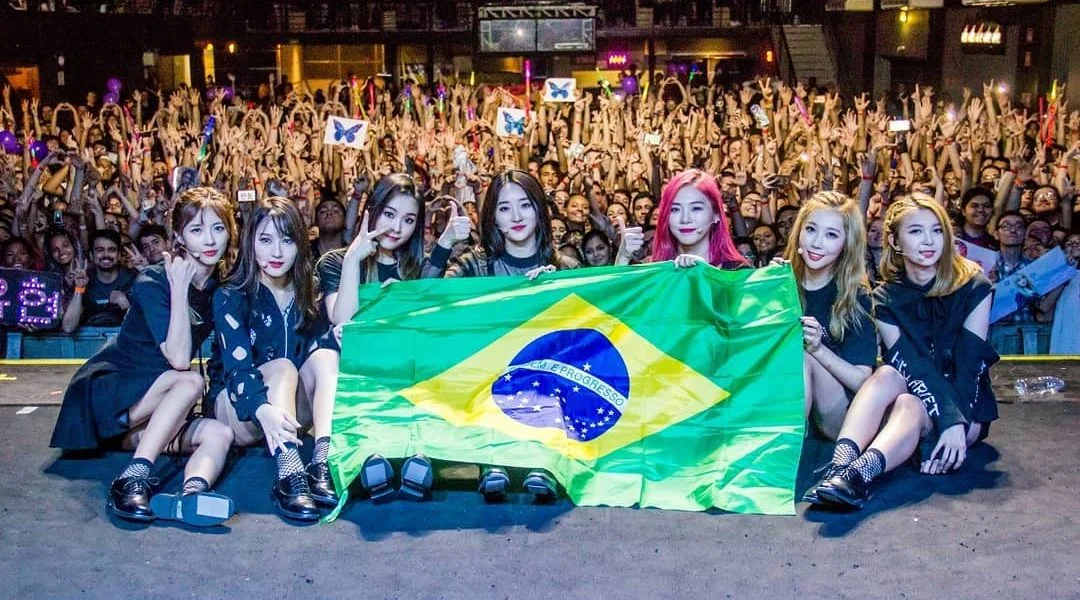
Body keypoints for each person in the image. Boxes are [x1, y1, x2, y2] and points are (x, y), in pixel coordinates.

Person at [50, 187, 238, 527]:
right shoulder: (153, 279)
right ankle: (132, 479)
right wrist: (179, 289)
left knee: (219, 433)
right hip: (114, 396)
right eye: (197, 230)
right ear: (178, 237)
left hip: (159, 409)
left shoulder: (218, 287)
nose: (210, 240)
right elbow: (178, 358)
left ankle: (190, 495)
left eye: (218, 228)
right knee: (189, 381)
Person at [805, 194, 997, 510]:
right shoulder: (885, 297)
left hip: (965, 405)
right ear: (895, 241)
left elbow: (970, 366)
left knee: (910, 403)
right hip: (916, 391)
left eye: (937, 230)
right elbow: (912, 365)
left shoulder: (975, 285)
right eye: (916, 231)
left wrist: (954, 422)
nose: (929, 241)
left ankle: (857, 477)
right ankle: (840, 468)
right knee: (888, 374)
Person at [318, 175, 470, 503]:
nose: (397, 228)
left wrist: (446, 240)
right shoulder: (335, 261)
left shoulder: (412, 268)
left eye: (409, 220)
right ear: (372, 210)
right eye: (389, 214)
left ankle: (417, 452)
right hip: (356, 376)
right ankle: (371, 454)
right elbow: (342, 320)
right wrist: (353, 260)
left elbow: (427, 303)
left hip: (405, 374)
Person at [208, 196, 337, 523]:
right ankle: (289, 473)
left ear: (300, 244)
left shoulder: (310, 291)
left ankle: (323, 462)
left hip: (289, 415)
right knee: (282, 367)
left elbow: (317, 354)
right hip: (239, 409)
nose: (276, 252)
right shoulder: (231, 294)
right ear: (250, 243)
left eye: (287, 240)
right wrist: (262, 409)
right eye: (265, 240)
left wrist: (337, 338)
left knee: (325, 356)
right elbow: (236, 371)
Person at [781, 191, 876, 446]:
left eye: (831, 235)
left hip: (839, 416)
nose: (817, 243)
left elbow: (862, 381)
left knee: (804, 355)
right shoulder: (780, 281)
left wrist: (818, 349)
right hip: (782, 401)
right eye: (811, 229)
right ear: (799, 232)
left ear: (846, 244)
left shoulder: (855, 296)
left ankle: (784, 449)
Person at [615, 169, 748, 269]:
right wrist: (623, 257)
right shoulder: (652, 268)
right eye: (675, 209)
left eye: (696, 208)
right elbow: (616, 297)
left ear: (716, 214)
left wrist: (706, 274)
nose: (685, 219)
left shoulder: (737, 273)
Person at [61, 228, 137, 331]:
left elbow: (144, 328)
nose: (106, 255)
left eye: (111, 250)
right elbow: (68, 327)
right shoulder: (83, 280)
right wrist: (79, 288)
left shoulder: (133, 280)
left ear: (119, 255)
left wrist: (126, 306)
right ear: (91, 255)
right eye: (100, 250)